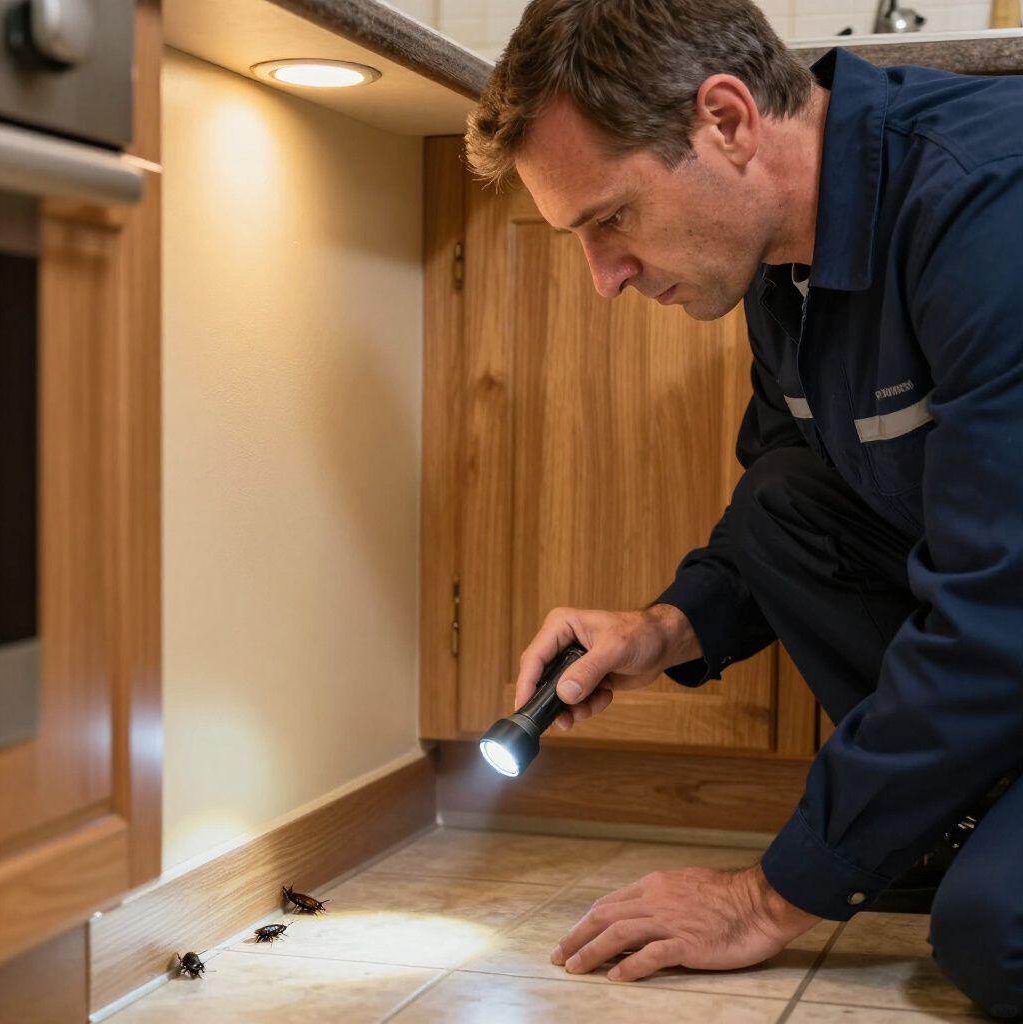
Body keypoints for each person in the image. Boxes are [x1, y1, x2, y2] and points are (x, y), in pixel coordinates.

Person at [464, 0, 1023, 1017]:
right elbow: (787, 492)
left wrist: (767, 898)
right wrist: (663, 628)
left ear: (725, 121)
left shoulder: (985, 206)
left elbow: (1003, 606)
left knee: (999, 934)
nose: (604, 278)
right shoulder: (784, 263)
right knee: (780, 501)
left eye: (610, 218)